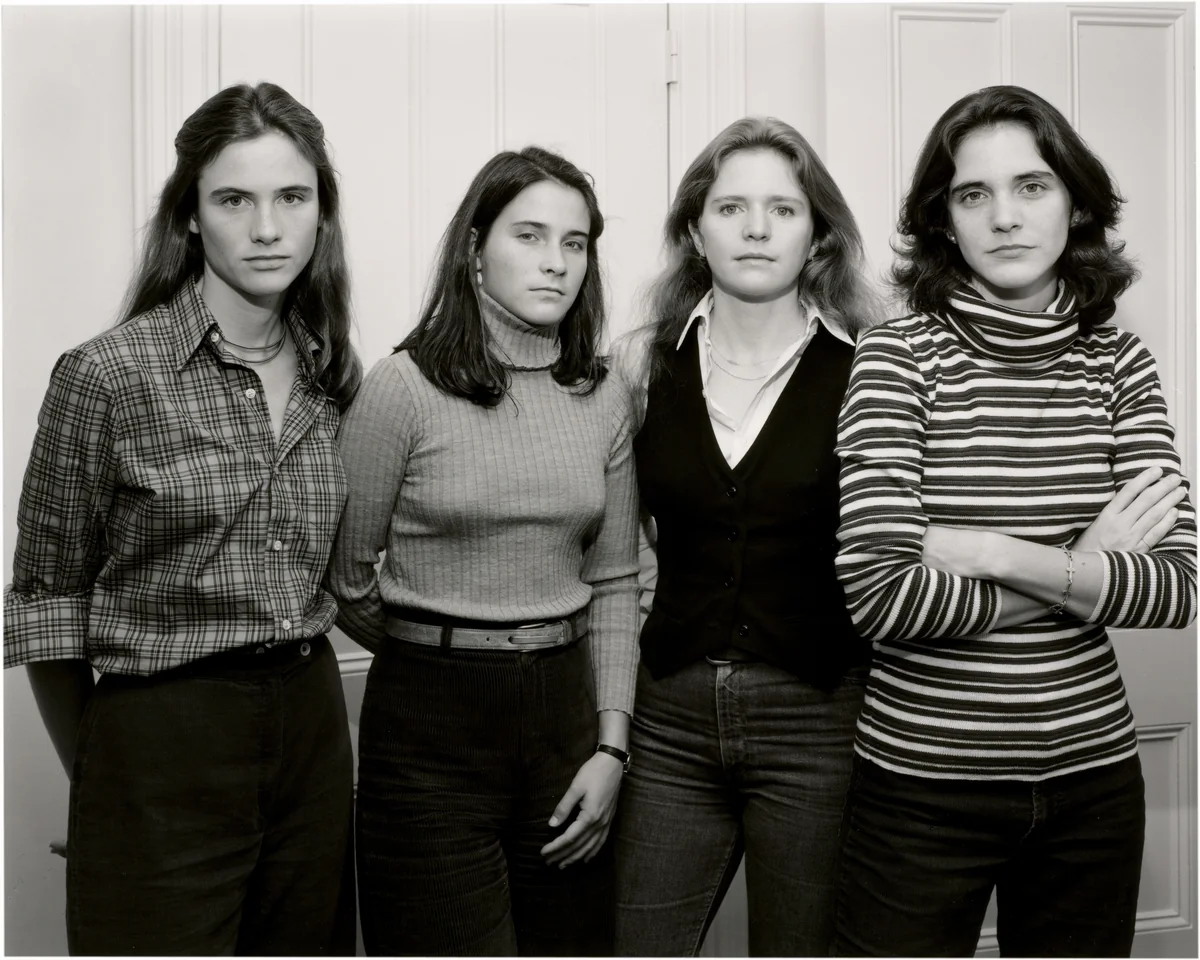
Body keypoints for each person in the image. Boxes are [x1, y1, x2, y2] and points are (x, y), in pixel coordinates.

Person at [832, 84, 1196, 957]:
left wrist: (994, 553)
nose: (1003, 216)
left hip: (1092, 786)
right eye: (972, 194)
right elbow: (882, 597)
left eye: (1031, 187)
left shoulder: (1119, 363)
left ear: (1074, 203)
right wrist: (1085, 564)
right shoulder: (896, 354)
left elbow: (1177, 585)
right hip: (919, 786)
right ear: (943, 220)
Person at [4, 82, 362, 955]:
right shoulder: (107, 376)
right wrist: (106, 783)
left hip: (311, 732)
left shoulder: (335, 378)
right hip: (160, 737)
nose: (267, 227)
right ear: (192, 216)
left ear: (321, 213)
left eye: (292, 198)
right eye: (234, 199)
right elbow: (48, 605)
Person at [326, 145, 639, 956]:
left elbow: (613, 581)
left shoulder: (602, 394)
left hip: (568, 722)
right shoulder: (403, 389)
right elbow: (345, 575)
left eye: (575, 243)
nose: (556, 263)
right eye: (530, 236)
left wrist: (611, 747)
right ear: (475, 249)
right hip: (429, 725)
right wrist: (445, 643)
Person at [610, 116, 880, 956]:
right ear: (695, 230)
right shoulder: (638, 364)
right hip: (669, 718)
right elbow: (613, 546)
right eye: (731, 208)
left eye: (783, 209)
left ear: (818, 234)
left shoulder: (874, 365)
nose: (757, 229)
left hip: (821, 717)